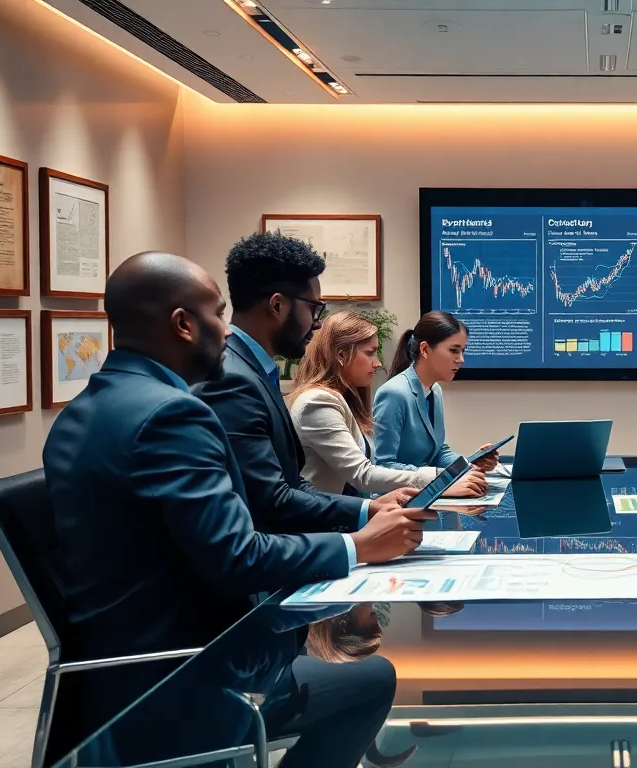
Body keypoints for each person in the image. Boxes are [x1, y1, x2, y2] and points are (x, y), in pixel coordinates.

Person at [43, 252, 433, 767]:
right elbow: (237, 558)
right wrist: (355, 548)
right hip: (183, 678)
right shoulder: (172, 414)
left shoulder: (85, 409)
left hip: (113, 680)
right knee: (373, 674)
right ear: (183, 324)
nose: (226, 332)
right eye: (216, 315)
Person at [194, 232, 409, 536]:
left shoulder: (251, 370)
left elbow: (292, 482)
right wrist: (358, 545)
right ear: (277, 305)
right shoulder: (232, 380)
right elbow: (269, 502)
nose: (318, 323)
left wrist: (366, 509)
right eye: (314, 308)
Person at [288, 310, 488, 498]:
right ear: (341, 355)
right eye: (370, 353)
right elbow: (364, 474)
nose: (378, 363)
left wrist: (467, 465)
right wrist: (442, 480)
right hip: (328, 524)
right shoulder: (317, 402)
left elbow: (436, 452)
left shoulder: (344, 399)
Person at [374, 311, 499, 474]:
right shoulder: (393, 393)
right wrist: (438, 477)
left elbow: (438, 453)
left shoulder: (435, 390)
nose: (461, 359)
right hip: (397, 496)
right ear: (425, 349)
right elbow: (383, 466)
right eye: (454, 350)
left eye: (462, 351)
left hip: (424, 492)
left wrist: (471, 464)